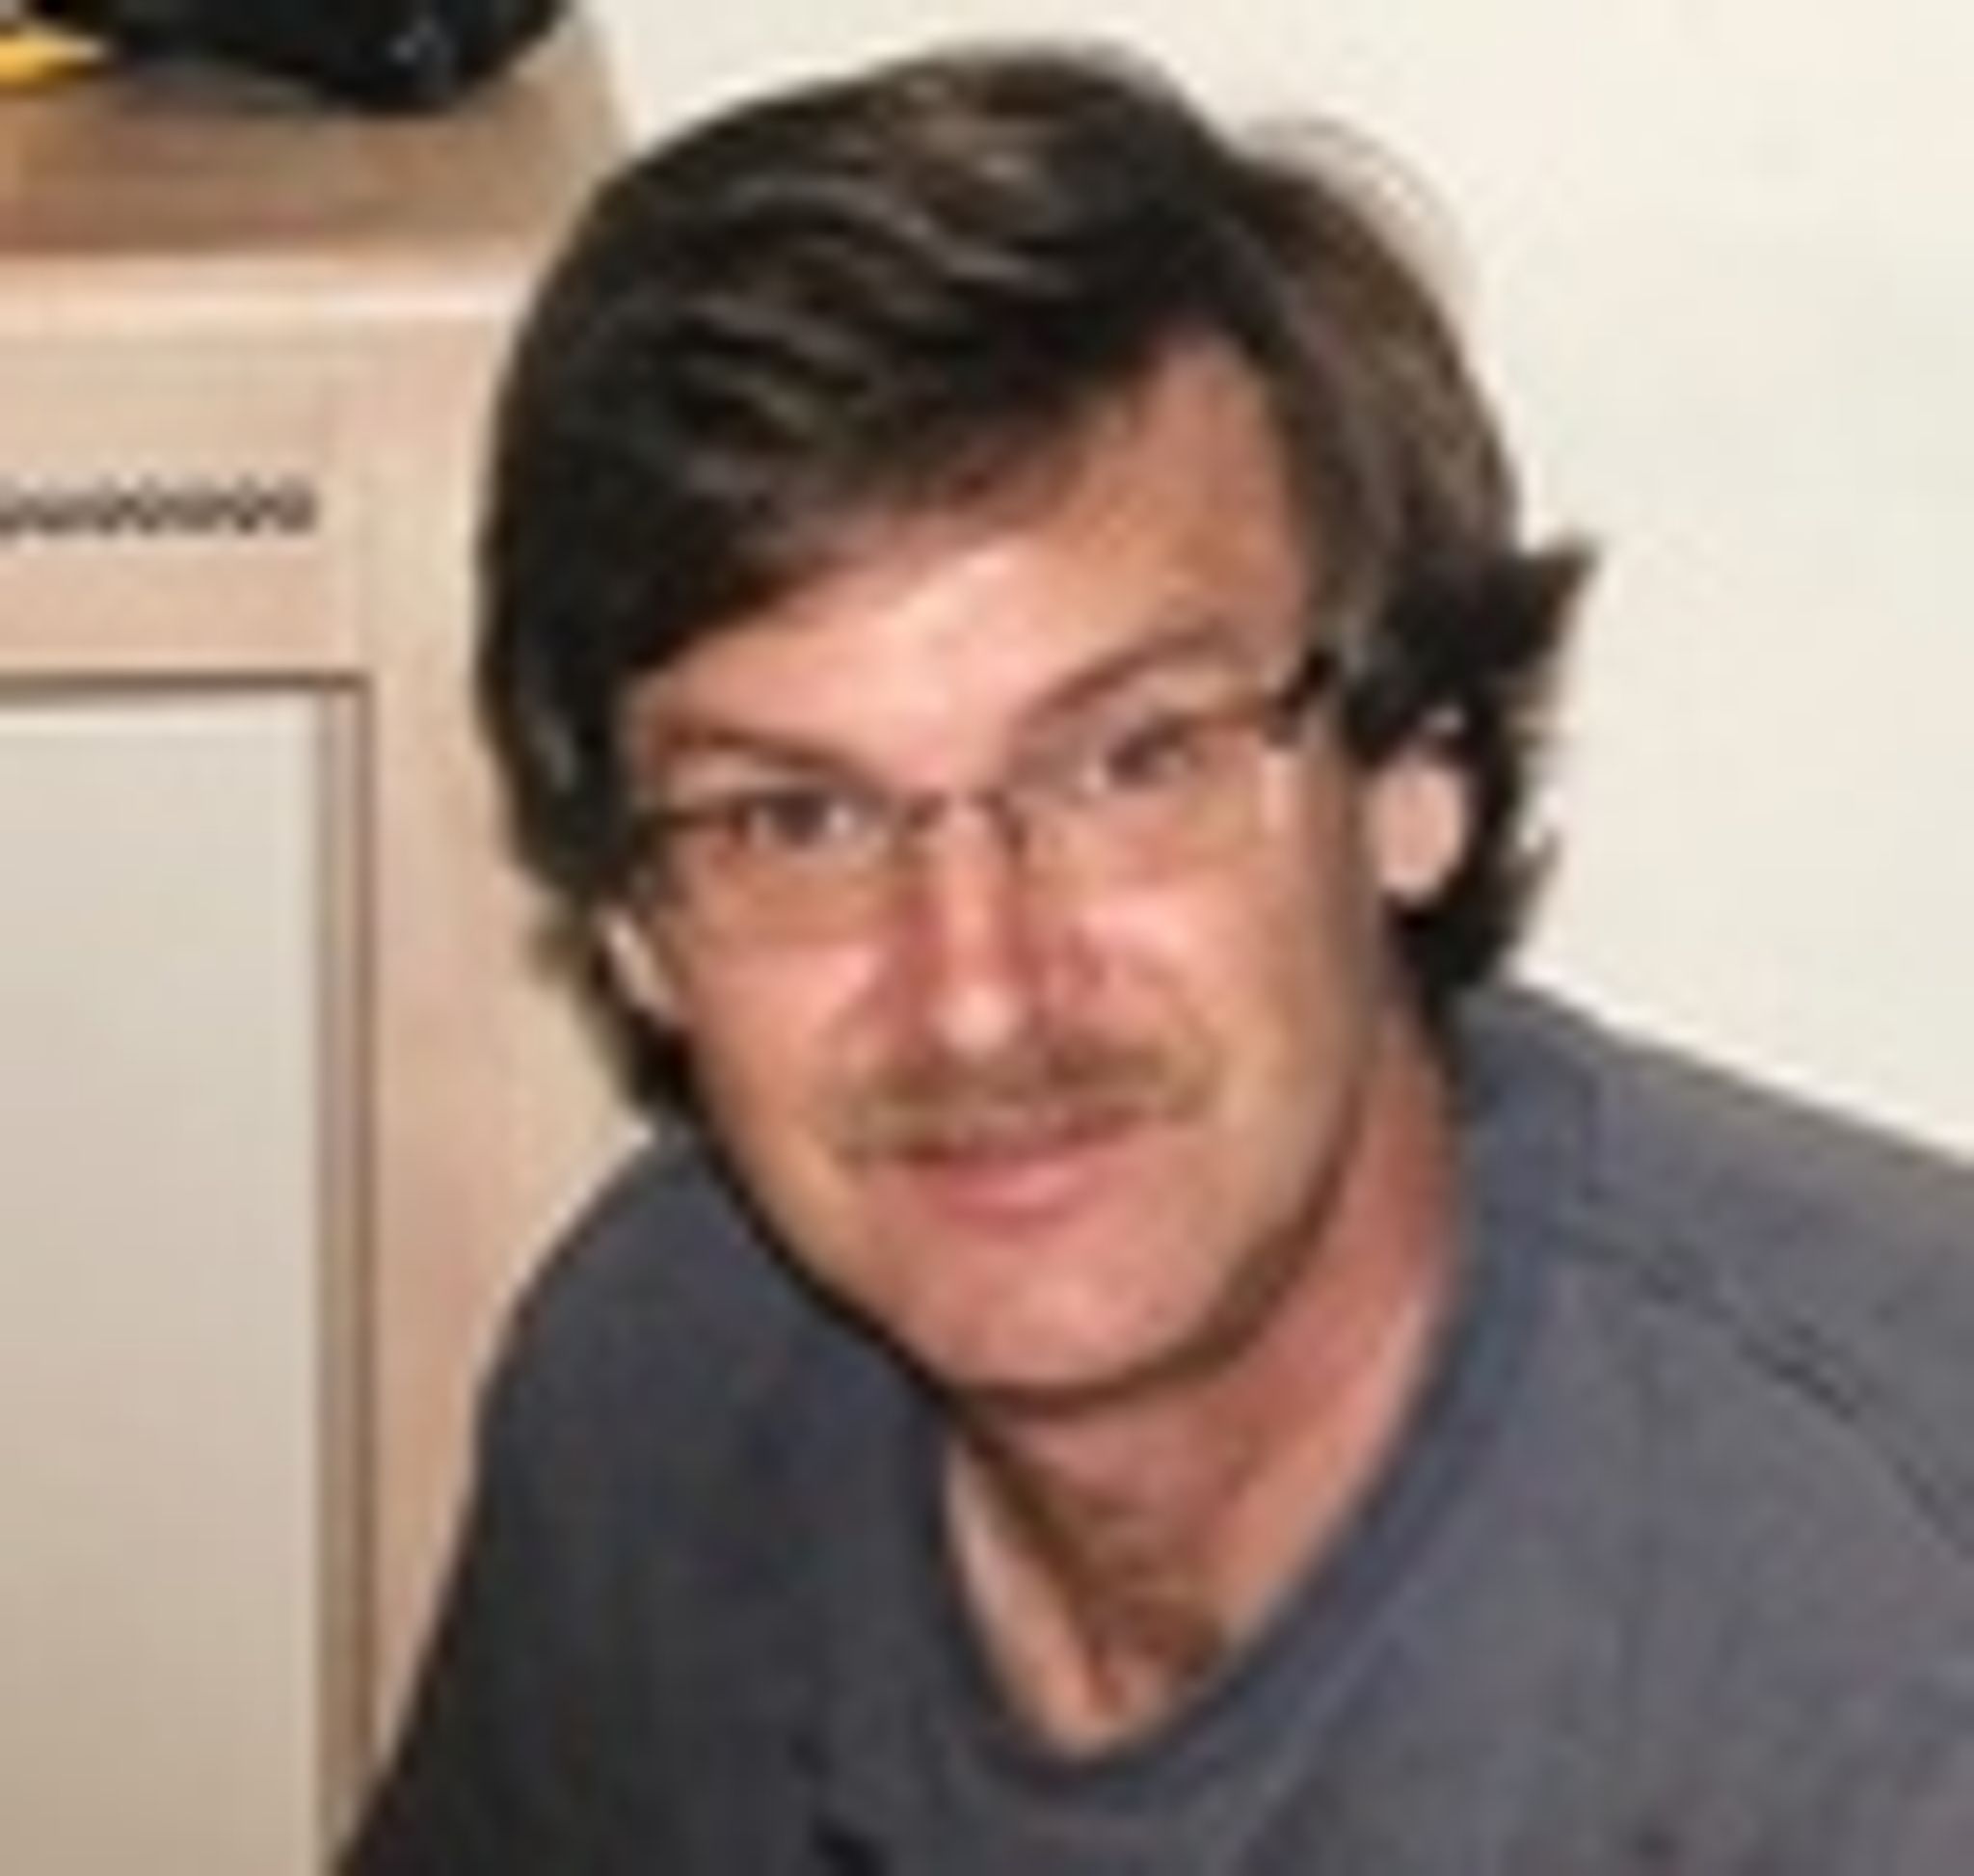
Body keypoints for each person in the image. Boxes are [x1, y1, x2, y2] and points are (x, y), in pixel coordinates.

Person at [346, 40, 1974, 1875]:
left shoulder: (1887, 1651)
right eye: (795, 820)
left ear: (1410, 775)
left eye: (1133, 764)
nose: (978, 991)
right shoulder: (672, 1380)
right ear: (638, 933)